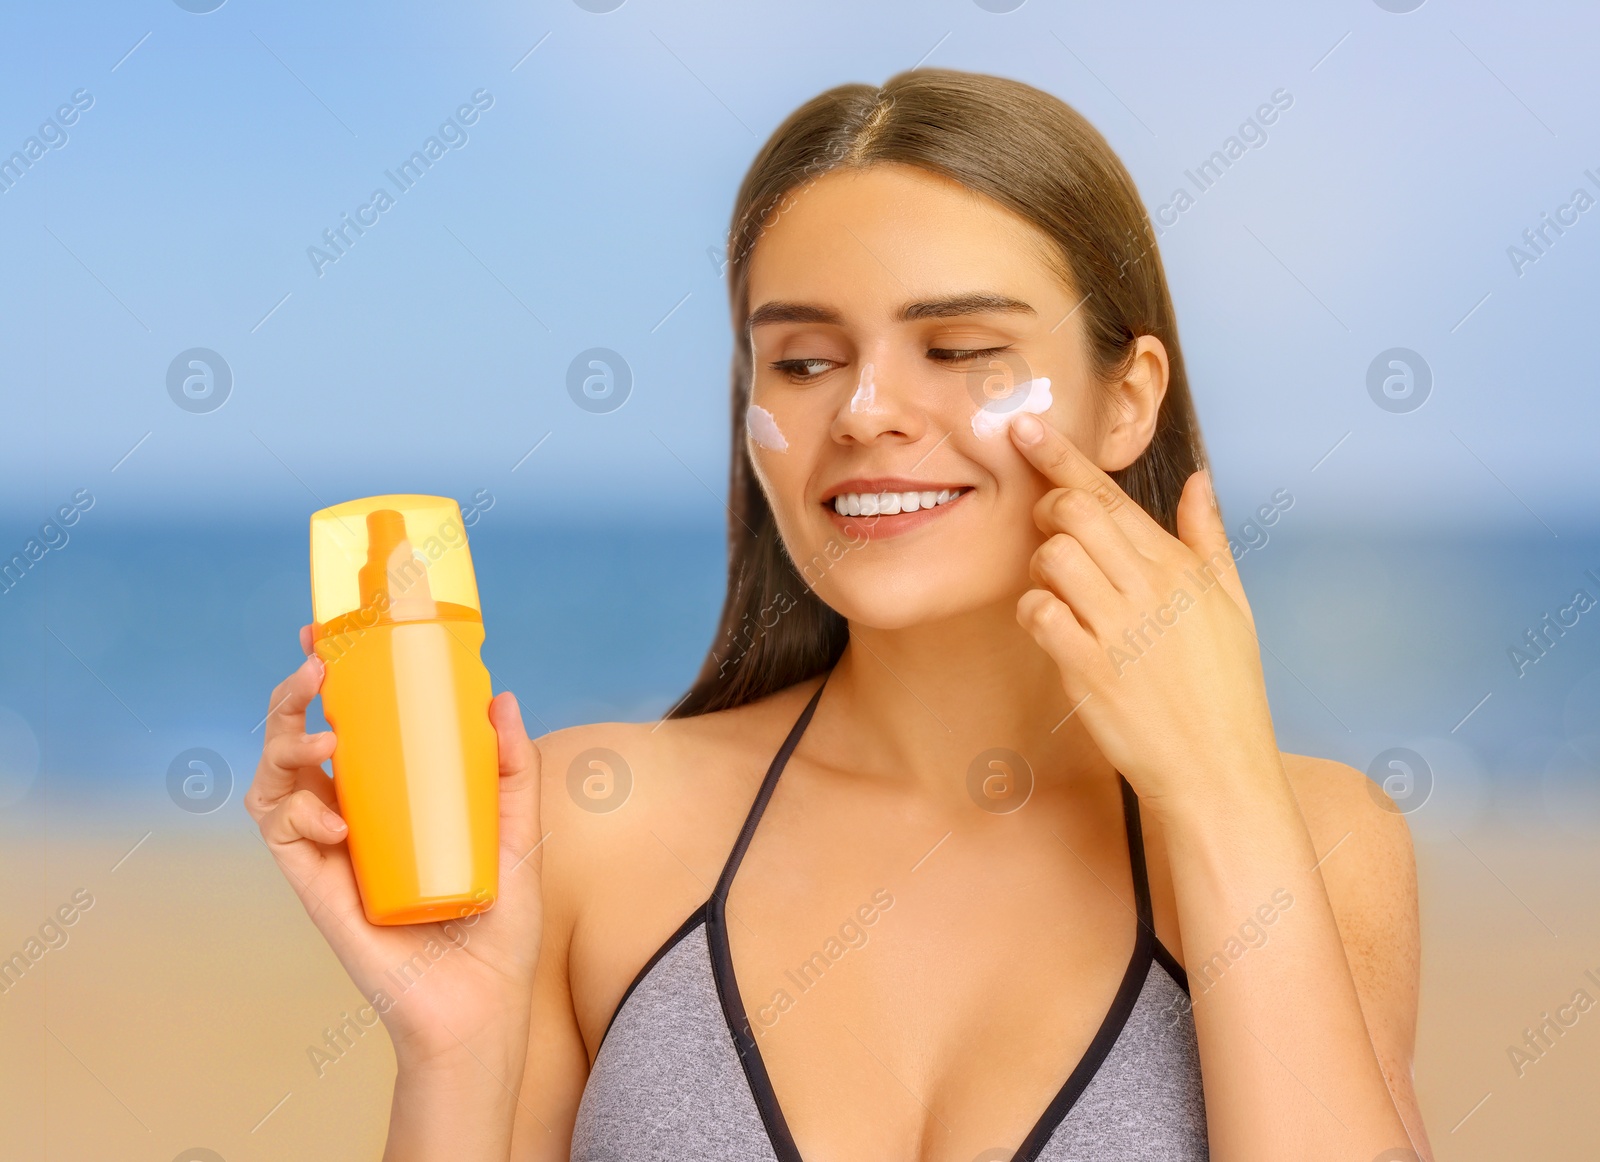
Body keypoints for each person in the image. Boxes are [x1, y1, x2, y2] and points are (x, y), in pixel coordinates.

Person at [248, 68, 1430, 1161]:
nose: (865, 411)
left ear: (1127, 401)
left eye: (959, 346)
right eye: (805, 362)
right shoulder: (589, 825)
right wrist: (451, 1051)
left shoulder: (1319, 838)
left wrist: (1220, 796)